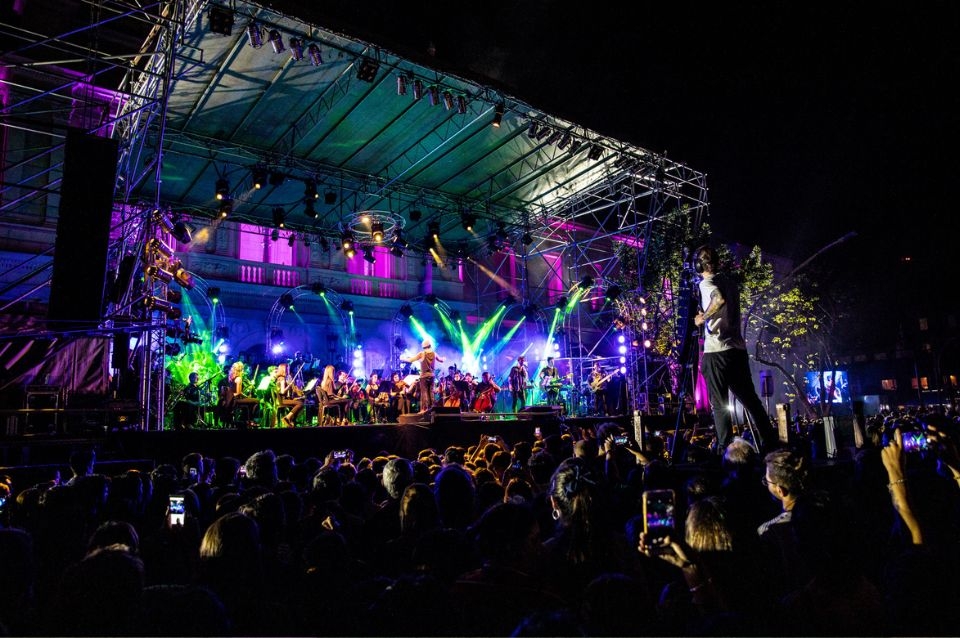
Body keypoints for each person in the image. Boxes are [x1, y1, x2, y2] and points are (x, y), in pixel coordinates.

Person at [693, 244, 775, 453]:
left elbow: (718, 299)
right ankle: (770, 443)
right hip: (737, 350)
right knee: (751, 401)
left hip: (717, 351)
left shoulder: (707, 283)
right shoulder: (730, 283)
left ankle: (725, 451)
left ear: (699, 265)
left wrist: (702, 318)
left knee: (719, 405)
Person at [401, 339, 443, 413]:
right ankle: (432, 408)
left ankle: (424, 409)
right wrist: (444, 359)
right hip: (432, 376)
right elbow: (441, 360)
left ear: (423, 347)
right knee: (431, 392)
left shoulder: (422, 354)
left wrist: (403, 358)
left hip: (424, 376)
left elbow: (411, 360)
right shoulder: (434, 354)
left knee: (424, 392)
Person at [275, 362, 304, 427]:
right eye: (287, 369)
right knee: (300, 404)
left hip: (283, 399)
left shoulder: (281, 378)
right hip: (282, 400)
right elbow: (282, 392)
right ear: (284, 369)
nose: (288, 370)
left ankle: (292, 420)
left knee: (299, 402)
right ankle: (287, 418)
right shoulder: (282, 379)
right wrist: (289, 385)